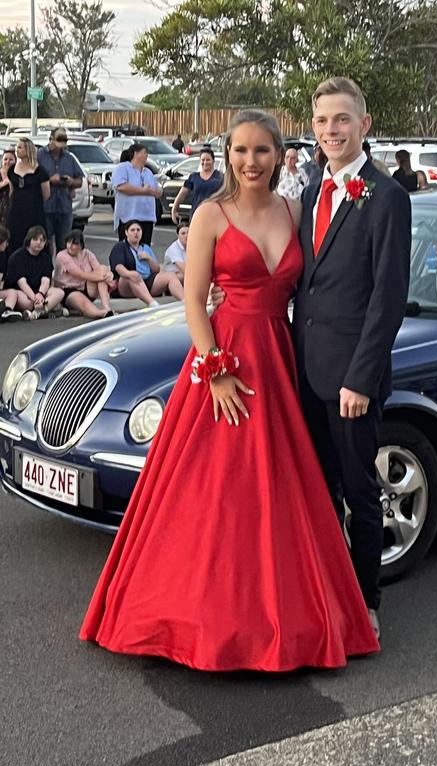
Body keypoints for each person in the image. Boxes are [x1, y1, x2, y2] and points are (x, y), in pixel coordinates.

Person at [79, 109, 379, 672]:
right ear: (226, 155)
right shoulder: (212, 214)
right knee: (214, 491)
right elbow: (193, 299)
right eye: (240, 151)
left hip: (280, 356)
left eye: (261, 151)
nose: (250, 162)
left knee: (282, 490)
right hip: (225, 359)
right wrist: (215, 368)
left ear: (277, 155)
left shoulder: (297, 209)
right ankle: (200, 617)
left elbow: (330, 282)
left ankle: (286, 616)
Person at [293, 77, 411, 638]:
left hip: (351, 383)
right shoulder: (312, 190)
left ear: (364, 125)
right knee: (316, 490)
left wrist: (361, 379)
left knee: (360, 491)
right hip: (307, 372)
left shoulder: (386, 197)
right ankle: (323, 597)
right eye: (322, 121)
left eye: (342, 120)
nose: (331, 130)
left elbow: (387, 299)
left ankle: (366, 606)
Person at [109, 219, 183, 305]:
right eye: (132, 230)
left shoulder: (145, 247)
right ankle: (152, 303)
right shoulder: (120, 246)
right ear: (126, 232)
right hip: (127, 284)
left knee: (171, 276)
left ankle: (184, 301)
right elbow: (118, 267)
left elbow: (156, 270)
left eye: (138, 230)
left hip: (147, 281)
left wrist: (149, 259)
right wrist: (128, 274)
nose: (136, 233)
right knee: (133, 275)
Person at [2, 225, 65, 320]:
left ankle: (37, 313)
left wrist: (40, 294)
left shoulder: (46, 258)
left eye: (42, 240)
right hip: (22, 292)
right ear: (29, 240)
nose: (39, 242)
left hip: (39, 292)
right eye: (35, 239)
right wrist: (35, 298)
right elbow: (21, 282)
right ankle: (45, 310)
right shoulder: (17, 256)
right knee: (21, 298)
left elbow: (46, 280)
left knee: (59, 292)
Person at [37, 127, 83, 254]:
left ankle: (62, 272)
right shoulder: (39, 155)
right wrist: (50, 180)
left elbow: (80, 180)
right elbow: (33, 178)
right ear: (50, 139)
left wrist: (71, 182)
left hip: (64, 207)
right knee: (44, 243)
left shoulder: (69, 158)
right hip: (46, 207)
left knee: (64, 244)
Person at [53, 228, 115, 318]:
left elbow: (99, 269)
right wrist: (103, 277)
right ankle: (101, 313)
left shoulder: (87, 254)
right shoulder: (62, 255)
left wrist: (108, 274)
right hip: (69, 290)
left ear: (81, 245)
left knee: (102, 269)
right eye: (68, 242)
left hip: (86, 287)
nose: (70, 246)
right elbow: (80, 274)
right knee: (84, 303)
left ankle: (106, 306)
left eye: (74, 244)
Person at [111, 144, 161, 246]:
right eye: (144, 152)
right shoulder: (123, 168)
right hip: (129, 218)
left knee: (144, 249)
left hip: (147, 218)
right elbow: (121, 186)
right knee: (128, 250)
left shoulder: (148, 172)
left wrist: (151, 191)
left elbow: (158, 192)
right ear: (136, 154)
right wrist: (142, 190)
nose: (147, 155)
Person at [7, 138, 50, 253]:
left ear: (28, 150)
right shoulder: (11, 170)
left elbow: (46, 194)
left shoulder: (40, 171)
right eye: (17, 147)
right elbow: (12, 192)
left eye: (20, 147)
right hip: (16, 213)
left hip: (34, 212)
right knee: (15, 241)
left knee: (33, 239)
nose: (17, 150)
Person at [170, 148, 223, 223]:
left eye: (208, 160)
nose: (205, 162)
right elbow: (182, 194)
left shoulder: (220, 177)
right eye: (203, 160)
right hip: (196, 215)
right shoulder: (193, 177)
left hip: (216, 216)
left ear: (213, 161)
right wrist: (174, 210)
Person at [0, 149, 16, 228]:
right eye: (5, 159)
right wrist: (4, 183)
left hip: (12, 212)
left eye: (11, 159)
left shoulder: (17, 176)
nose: (8, 162)